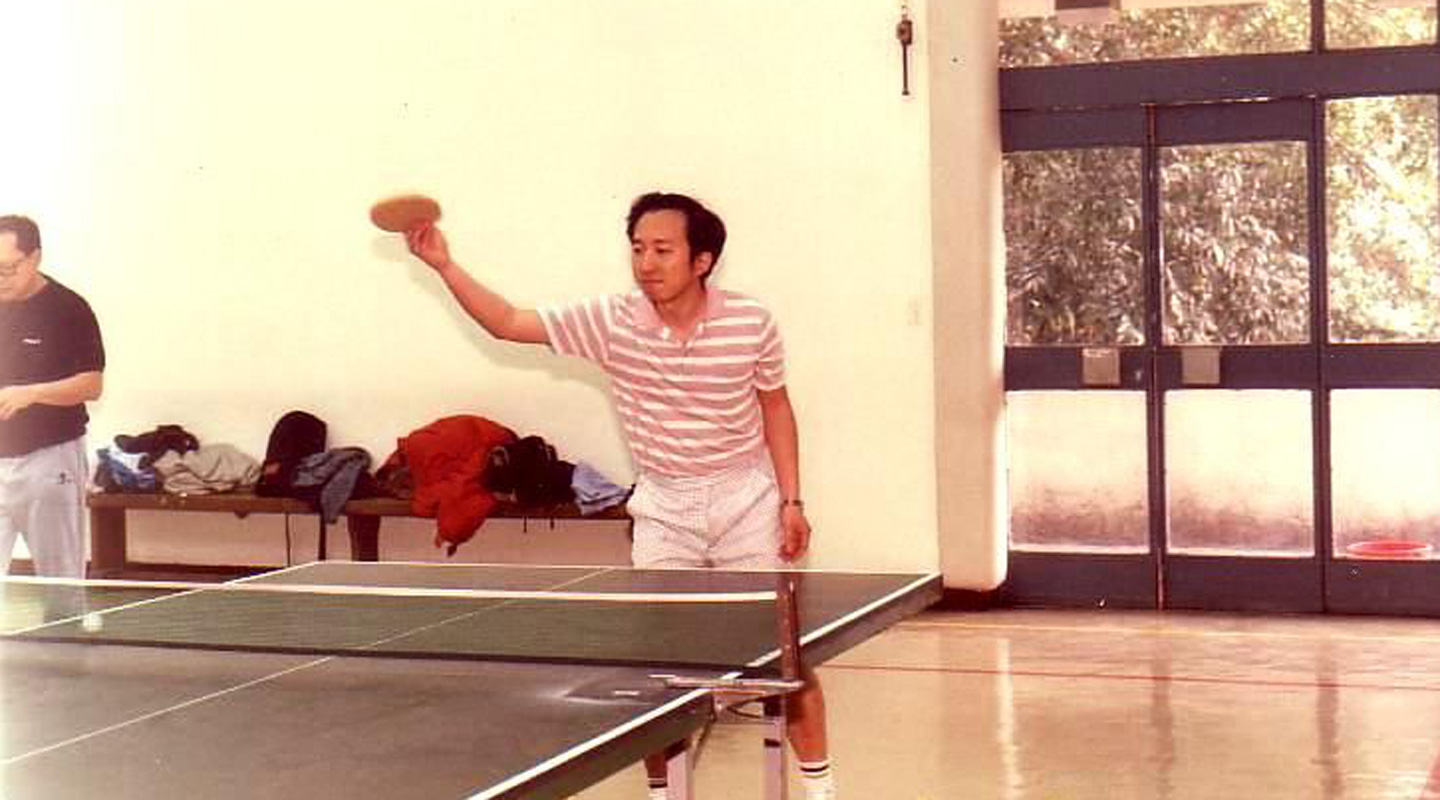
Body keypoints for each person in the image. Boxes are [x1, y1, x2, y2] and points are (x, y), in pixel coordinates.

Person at [404, 192, 836, 799]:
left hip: (745, 498)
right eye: (637, 249)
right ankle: (664, 796)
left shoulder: (751, 322)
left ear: (702, 259)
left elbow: (776, 407)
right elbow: (507, 321)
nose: (646, 263)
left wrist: (792, 501)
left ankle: (821, 791)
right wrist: (445, 265)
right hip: (664, 505)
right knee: (658, 671)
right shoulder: (610, 321)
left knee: (784, 658)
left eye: (662, 250)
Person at [0, 215, 105, 578]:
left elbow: (91, 385)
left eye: (8, 268)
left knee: (61, 585)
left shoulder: (68, 310)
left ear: (35, 258)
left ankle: (66, 636)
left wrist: (32, 394)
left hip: (50, 459)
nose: (2, 279)